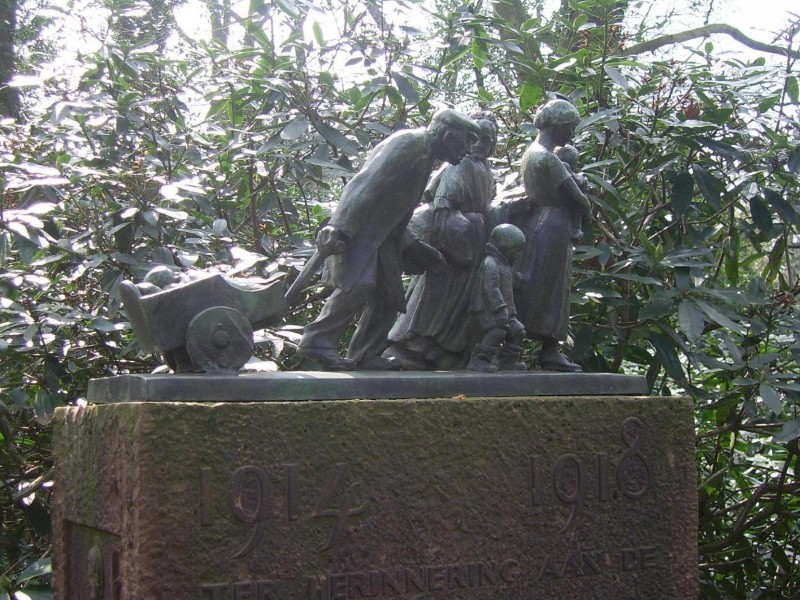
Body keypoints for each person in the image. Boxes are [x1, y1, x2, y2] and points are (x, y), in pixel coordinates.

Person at [296, 109, 482, 370]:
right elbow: (363, 184)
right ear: (450, 135)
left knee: (388, 294)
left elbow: (397, 208)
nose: (468, 149)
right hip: (361, 231)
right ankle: (317, 340)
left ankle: (366, 353)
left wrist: (415, 247)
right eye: (467, 140)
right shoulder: (409, 143)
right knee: (359, 286)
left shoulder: (426, 156)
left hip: (385, 238)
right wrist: (337, 226)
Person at [382, 114, 499, 370]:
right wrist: (452, 230)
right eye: (477, 138)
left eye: (488, 140)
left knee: (459, 304)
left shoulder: (485, 169)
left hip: (475, 240)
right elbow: (443, 202)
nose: (481, 144)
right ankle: (409, 348)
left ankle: (446, 355)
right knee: (433, 298)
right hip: (453, 239)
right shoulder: (459, 165)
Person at [514, 99, 590, 372]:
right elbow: (578, 199)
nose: (571, 134)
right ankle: (549, 349)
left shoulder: (531, 153)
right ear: (557, 126)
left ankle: (518, 346)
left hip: (539, 223)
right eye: (570, 127)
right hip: (555, 224)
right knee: (553, 289)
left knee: (536, 285)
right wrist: (586, 211)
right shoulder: (547, 158)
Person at [467, 224, 527, 373]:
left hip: (506, 310)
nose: (519, 254)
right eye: (517, 250)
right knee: (498, 331)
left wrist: (517, 280)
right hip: (487, 309)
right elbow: (490, 289)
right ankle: (479, 360)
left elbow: (507, 283)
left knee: (518, 331)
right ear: (506, 248)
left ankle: (507, 361)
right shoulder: (490, 263)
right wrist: (499, 309)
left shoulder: (505, 264)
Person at [554, 144, 591, 241]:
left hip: (565, 198)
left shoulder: (561, 165)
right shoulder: (564, 165)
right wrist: (582, 178)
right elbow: (575, 180)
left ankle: (577, 228)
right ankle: (577, 228)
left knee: (577, 206)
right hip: (565, 197)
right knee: (577, 205)